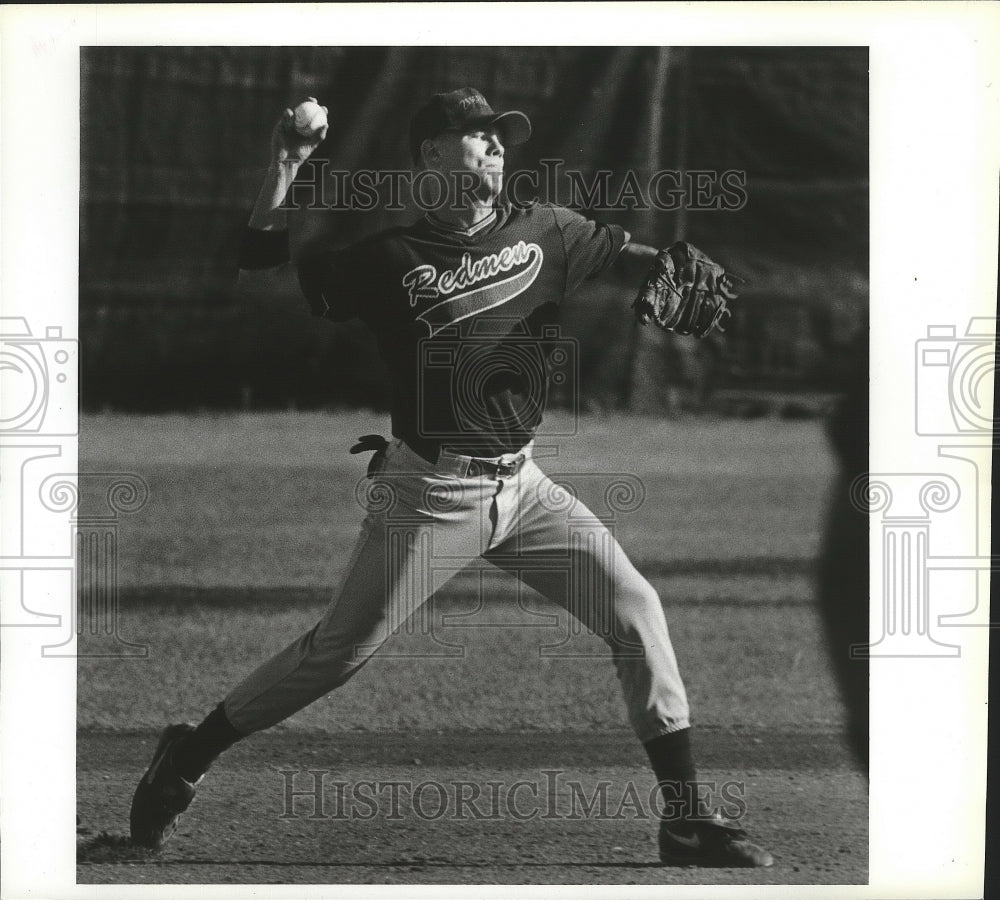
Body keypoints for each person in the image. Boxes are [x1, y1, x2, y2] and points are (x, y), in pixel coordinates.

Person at [129, 87, 773, 868]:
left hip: (525, 489)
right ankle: (189, 752)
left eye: (503, 137)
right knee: (339, 653)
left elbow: (637, 258)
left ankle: (684, 818)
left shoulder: (548, 231)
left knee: (636, 608)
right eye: (478, 134)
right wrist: (287, 165)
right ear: (432, 154)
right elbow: (262, 287)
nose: (498, 146)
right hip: (430, 495)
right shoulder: (388, 257)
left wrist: (666, 264)